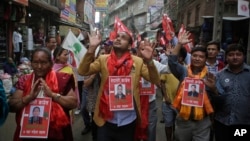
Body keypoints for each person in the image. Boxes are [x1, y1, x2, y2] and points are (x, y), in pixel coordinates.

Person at [78, 30, 160, 141]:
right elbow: (82, 71)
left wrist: (150, 61)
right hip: (105, 121)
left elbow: (154, 79)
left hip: (128, 121)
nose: (118, 38)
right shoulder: (103, 59)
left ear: (130, 46)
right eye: (117, 36)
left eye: (123, 37)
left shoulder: (138, 62)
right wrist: (91, 49)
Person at [8, 47, 77, 141]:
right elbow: (12, 106)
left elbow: (73, 103)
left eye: (44, 62)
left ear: (51, 63)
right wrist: (29, 97)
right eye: (35, 62)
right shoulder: (25, 80)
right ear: (31, 63)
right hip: (29, 133)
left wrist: (53, 95)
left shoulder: (60, 79)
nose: (39, 66)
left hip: (55, 134)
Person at [169, 31, 215, 141]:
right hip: (183, 120)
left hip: (202, 122)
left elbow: (218, 98)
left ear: (205, 59)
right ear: (191, 57)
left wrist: (213, 88)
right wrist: (179, 44)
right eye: (195, 56)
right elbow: (172, 62)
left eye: (201, 57)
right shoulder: (183, 72)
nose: (197, 59)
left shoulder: (210, 76)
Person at [211, 44, 250, 141]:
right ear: (226, 57)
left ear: (244, 56)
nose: (235, 57)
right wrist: (213, 89)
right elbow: (217, 100)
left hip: (243, 122)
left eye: (238, 54)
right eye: (231, 55)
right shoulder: (219, 75)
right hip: (222, 122)